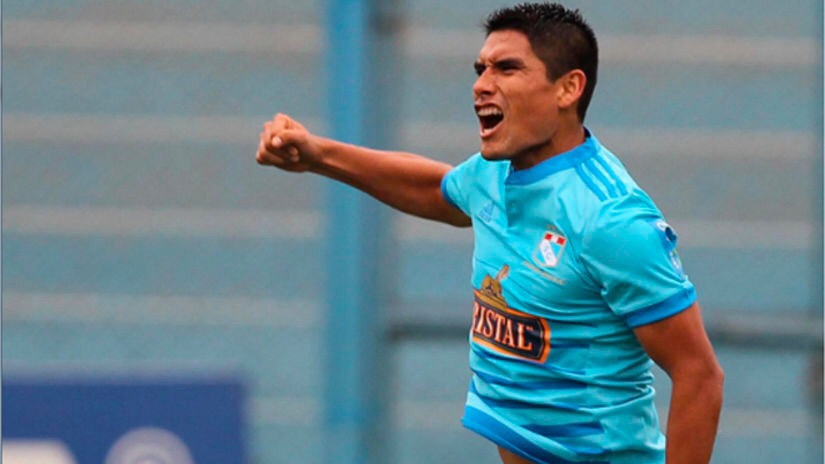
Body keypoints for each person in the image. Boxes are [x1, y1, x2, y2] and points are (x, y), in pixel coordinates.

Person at [256, 2, 724, 463]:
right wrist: (318, 155)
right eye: (481, 69)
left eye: (507, 68)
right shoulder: (495, 173)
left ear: (568, 88)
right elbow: (437, 190)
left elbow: (699, 374)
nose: (482, 85)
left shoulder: (610, 218)